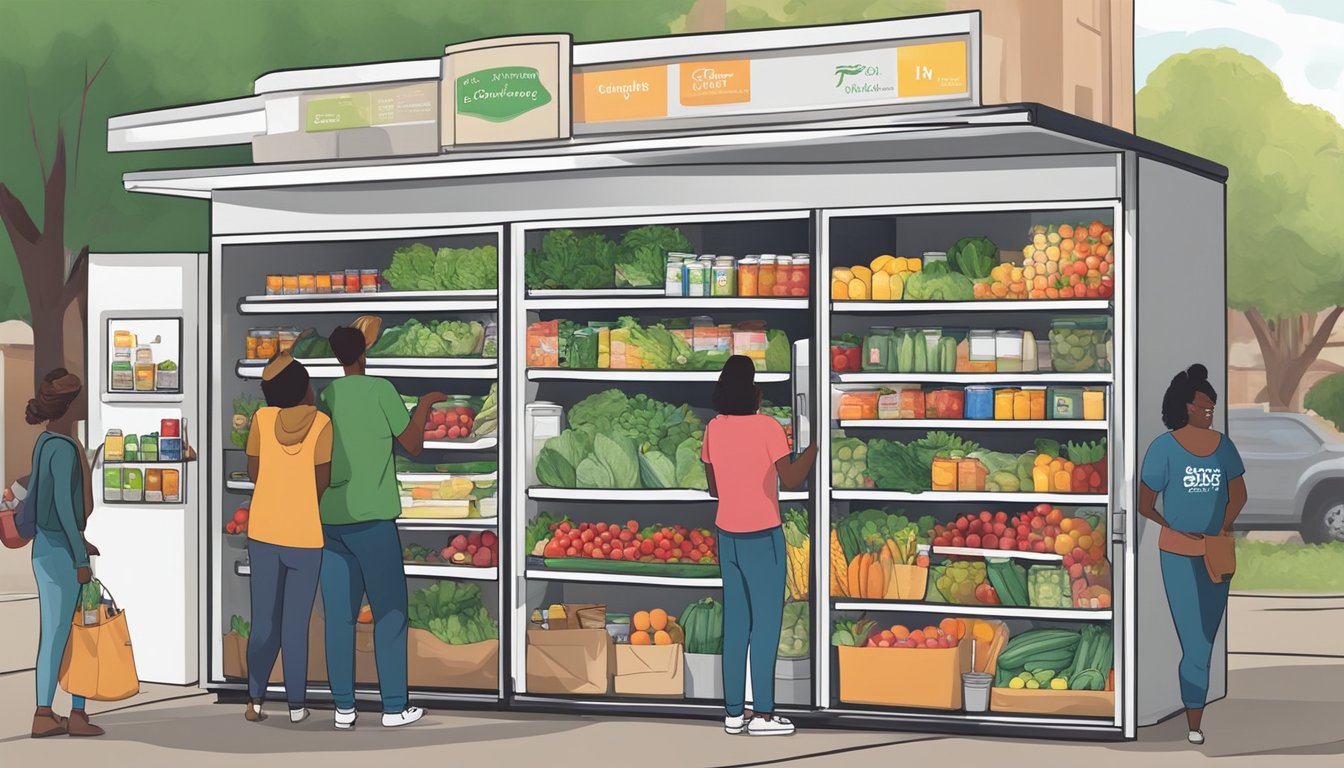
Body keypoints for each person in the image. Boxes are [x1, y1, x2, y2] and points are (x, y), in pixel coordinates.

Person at [318, 326, 445, 730]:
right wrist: (424, 405)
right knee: (390, 611)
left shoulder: (327, 397)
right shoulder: (380, 390)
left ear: (337, 356)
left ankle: (343, 708)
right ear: (364, 351)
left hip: (332, 519)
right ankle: (393, 707)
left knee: (339, 616)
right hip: (372, 521)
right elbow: (413, 444)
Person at [700, 355, 816, 737]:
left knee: (736, 626)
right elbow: (794, 480)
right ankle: (764, 715)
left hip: (727, 536)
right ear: (754, 392)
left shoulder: (713, 429)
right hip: (763, 535)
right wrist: (815, 447)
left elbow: (714, 488)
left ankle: (734, 714)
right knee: (765, 626)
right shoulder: (767, 427)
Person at [1138, 364, 1246, 746]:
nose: (1209, 412)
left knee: (1208, 638)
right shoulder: (1163, 448)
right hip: (1178, 555)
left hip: (1217, 554)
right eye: (1204, 406)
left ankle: (1194, 709)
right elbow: (1144, 503)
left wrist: (1223, 525)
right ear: (1185, 407)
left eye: (1212, 407)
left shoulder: (1224, 445)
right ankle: (1194, 722)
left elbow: (1239, 494)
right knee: (1195, 642)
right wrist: (1172, 525)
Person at [242, 353, 332, 724]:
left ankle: (255, 700)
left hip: (263, 533)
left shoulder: (261, 421)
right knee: (296, 623)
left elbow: (253, 472)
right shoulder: (323, 424)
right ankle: (296, 705)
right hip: (305, 537)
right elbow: (321, 482)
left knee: (263, 622)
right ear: (305, 387)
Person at [26, 369, 104, 738]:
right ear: (70, 406)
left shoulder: (47, 441)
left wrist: (78, 544)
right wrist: (79, 557)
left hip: (47, 544)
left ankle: (67, 711)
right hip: (60, 551)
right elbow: (61, 506)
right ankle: (57, 713)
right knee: (70, 633)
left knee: (61, 631)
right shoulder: (62, 448)